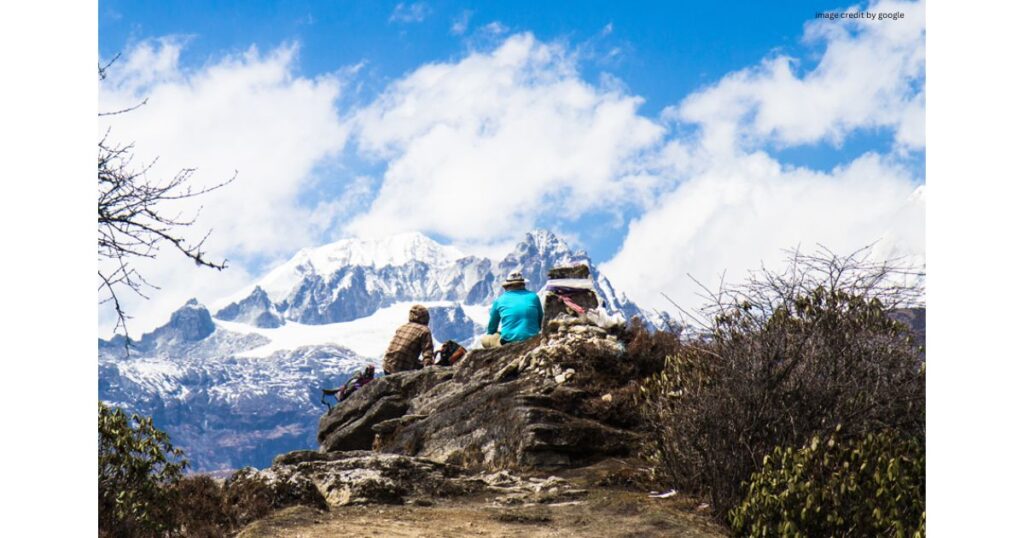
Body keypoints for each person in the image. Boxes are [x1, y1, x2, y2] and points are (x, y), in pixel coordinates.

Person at [482, 271, 543, 348]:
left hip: (509, 341)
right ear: (523, 284)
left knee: (485, 340)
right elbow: (541, 321)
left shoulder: (499, 300)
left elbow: (492, 328)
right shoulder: (534, 297)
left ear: (507, 286)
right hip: (533, 339)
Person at [382, 304, 435, 374]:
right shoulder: (424, 330)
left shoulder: (402, 327)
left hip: (387, 365)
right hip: (402, 368)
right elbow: (427, 354)